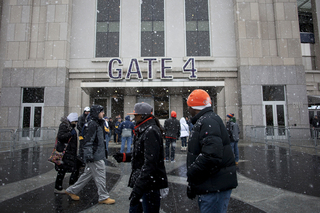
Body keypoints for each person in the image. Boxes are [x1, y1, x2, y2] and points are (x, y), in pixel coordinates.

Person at [186, 89, 237, 213]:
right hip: (211, 185)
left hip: (214, 187)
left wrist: (192, 173)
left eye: (189, 106)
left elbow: (211, 156)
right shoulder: (206, 119)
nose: (188, 109)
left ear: (194, 107)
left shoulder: (208, 121)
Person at [113, 102, 168, 213]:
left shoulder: (150, 131)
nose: (134, 117)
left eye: (136, 115)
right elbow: (141, 154)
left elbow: (150, 163)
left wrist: (138, 188)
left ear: (142, 116)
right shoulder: (144, 130)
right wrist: (124, 157)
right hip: (144, 183)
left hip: (149, 185)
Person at [65, 105, 115, 205]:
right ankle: (103, 196)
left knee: (86, 175)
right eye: (101, 112)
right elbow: (88, 141)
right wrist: (89, 155)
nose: (103, 113)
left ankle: (71, 190)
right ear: (97, 113)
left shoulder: (97, 123)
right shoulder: (93, 124)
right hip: (95, 156)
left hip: (95, 154)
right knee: (100, 175)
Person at [54, 113, 81, 194]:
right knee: (62, 170)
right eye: (75, 121)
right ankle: (58, 187)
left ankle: (71, 185)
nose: (76, 123)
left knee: (72, 169)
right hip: (65, 152)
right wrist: (70, 134)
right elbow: (61, 137)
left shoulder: (70, 126)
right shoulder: (64, 126)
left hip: (70, 152)